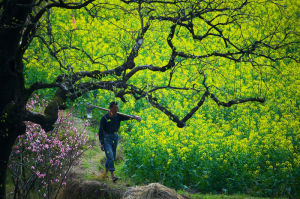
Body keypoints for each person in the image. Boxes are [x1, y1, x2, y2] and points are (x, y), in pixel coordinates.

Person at [98, 101, 140, 182]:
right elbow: (100, 131)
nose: (117, 109)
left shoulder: (118, 116)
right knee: (110, 156)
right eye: (115, 108)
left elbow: (128, 117)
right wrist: (102, 143)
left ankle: (105, 174)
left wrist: (135, 116)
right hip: (107, 139)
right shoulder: (105, 118)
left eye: (117, 108)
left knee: (112, 156)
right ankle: (113, 176)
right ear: (110, 108)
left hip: (115, 137)